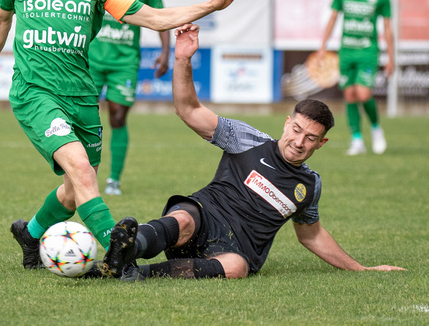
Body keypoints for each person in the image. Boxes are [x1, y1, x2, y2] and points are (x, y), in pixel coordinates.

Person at [0, 0, 248, 269]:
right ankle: (120, 255)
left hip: (81, 95)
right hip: (35, 92)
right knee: (81, 170)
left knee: (75, 188)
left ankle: (31, 235)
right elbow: (0, 18)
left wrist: (211, 5)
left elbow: (155, 18)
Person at [100, 23, 405, 280]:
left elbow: (310, 235)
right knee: (183, 219)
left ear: (321, 143)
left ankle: (135, 273)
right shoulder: (247, 139)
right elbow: (189, 110)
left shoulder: (309, 186)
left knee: (237, 268)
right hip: (204, 218)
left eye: (310, 138)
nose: (299, 142)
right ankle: (128, 247)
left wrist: (361, 268)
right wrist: (182, 60)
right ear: (287, 124)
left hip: (235, 252)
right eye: (296, 130)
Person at [89, 0, 170, 196]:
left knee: (118, 117)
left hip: (125, 62)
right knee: (84, 115)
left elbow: (159, 18)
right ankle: (83, 173)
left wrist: (165, 51)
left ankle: (113, 180)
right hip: (90, 59)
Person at [317, 0, 394, 156]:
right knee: (350, 95)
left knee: (364, 93)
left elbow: (387, 28)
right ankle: (357, 139)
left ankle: (376, 129)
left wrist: (391, 58)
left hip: (368, 52)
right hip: (346, 52)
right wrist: (323, 46)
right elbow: (333, 18)